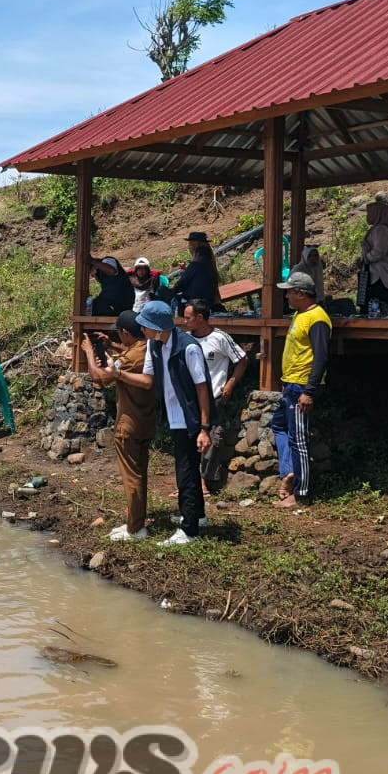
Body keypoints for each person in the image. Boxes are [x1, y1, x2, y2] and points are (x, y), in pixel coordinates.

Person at [136, 299, 212, 544]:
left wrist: (204, 428)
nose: (142, 330)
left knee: (186, 472)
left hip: (190, 418)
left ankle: (189, 530)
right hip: (173, 416)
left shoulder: (187, 348)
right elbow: (147, 379)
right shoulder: (155, 346)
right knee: (187, 467)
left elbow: (202, 388)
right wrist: (115, 372)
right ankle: (197, 516)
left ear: (158, 328)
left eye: (145, 326)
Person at [82, 310, 157, 540]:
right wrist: (111, 346)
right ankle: (136, 521)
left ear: (126, 332)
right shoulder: (148, 349)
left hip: (128, 424)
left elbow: (100, 378)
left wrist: (87, 353)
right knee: (139, 473)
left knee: (131, 476)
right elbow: (129, 356)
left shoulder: (131, 358)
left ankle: (135, 528)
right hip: (146, 422)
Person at [271, 272, 329, 508]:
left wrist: (310, 391)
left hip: (302, 386)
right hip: (291, 384)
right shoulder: (299, 315)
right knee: (278, 424)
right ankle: (289, 472)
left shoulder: (317, 318)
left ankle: (301, 493)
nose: (286, 296)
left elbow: (321, 356)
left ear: (301, 294)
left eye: (289, 292)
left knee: (299, 440)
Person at [181, 299, 249, 489]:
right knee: (188, 437)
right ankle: (189, 479)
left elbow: (242, 359)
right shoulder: (185, 338)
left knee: (212, 437)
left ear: (200, 318)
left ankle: (204, 480)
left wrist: (231, 383)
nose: (184, 322)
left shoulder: (220, 338)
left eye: (188, 318)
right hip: (191, 397)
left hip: (214, 396)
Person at [360, 197, 388, 309]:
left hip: (381, 277)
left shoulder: (381, 230)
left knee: (380, 307)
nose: (367, 216)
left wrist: (367, 258)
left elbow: (379, 252)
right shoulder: (378, 229)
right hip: (380, 275)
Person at [169, 233, 220, 308]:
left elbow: (179, 286)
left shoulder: (195, 265)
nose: (189, 247)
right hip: (207, 305)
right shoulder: (210, 265)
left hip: (193, 306)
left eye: (190, 244)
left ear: (195, 246)